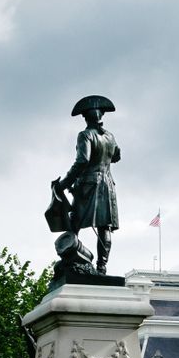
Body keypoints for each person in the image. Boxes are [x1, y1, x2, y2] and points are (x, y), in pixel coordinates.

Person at [55, 95, 121, 275]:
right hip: (107, 185)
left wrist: (64, 183)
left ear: (86, 118)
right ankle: (101, 267)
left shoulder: (85, 135)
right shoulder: (110, 136)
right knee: (104, 227)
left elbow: (82, 160)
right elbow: (116, 156)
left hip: (88, 185)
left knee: (73, 223)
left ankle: (68, 261)